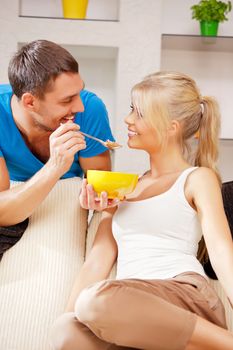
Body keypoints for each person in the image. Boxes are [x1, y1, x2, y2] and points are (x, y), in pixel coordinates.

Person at [50, 71, 233, 350]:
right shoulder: (122, 188)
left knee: (95, 301)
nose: (128, 120)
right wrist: (70, 317)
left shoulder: (197, 178)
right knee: (65, 329)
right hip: (134, 310)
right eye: (131, 110)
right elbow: (97, 261)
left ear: (171, 127)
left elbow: (221, 252)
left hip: (182, 295)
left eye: (140, 113)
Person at [0, 39, 116, 256]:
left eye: (79, 93)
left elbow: (100, 186)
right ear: (30, 102)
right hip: (15, 207)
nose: (79, 106)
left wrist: (98, 196)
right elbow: (1, 212)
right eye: (67, 100)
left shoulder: (91, 109)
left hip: (65, 205)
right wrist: (55, 166)